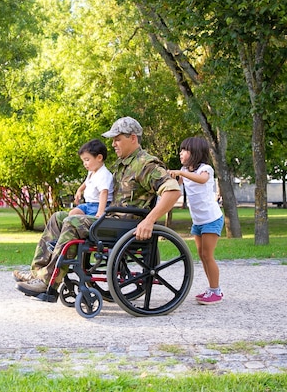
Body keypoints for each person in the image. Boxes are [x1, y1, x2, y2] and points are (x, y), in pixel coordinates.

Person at [13, 116, 182, 298]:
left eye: (118, 139)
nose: (113, 144)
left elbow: (172, 191)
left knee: (73, 222)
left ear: (133, 138)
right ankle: (37, 273)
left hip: (125, 225)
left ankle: (49, 282)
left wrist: (149, 221)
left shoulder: (145, 164)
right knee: (58, 218)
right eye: (113, 140)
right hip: (111, 221)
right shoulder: (123, 164)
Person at [170, 136, 224, 305]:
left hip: (211, 218)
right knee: (202, 255)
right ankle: (211, 289)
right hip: (198, 221)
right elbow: (175, 186)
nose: (180, 153)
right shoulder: (184, 170)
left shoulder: (205, 169)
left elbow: (202, 180)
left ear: (195, 152)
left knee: (208, 255)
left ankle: (216, 291)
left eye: (184, 150)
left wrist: (181, 173)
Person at [69, 139, 114, 217]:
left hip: (98, 206)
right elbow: (86, 183)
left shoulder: (103, 174)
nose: (84, 164)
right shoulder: (92, 172)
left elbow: (104, 192)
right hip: (88, 205)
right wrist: (79, 190)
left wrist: (100, 212)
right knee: (73, 213)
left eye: (87, 160)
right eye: (83, 161)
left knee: (75, 219)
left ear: (99, 158)